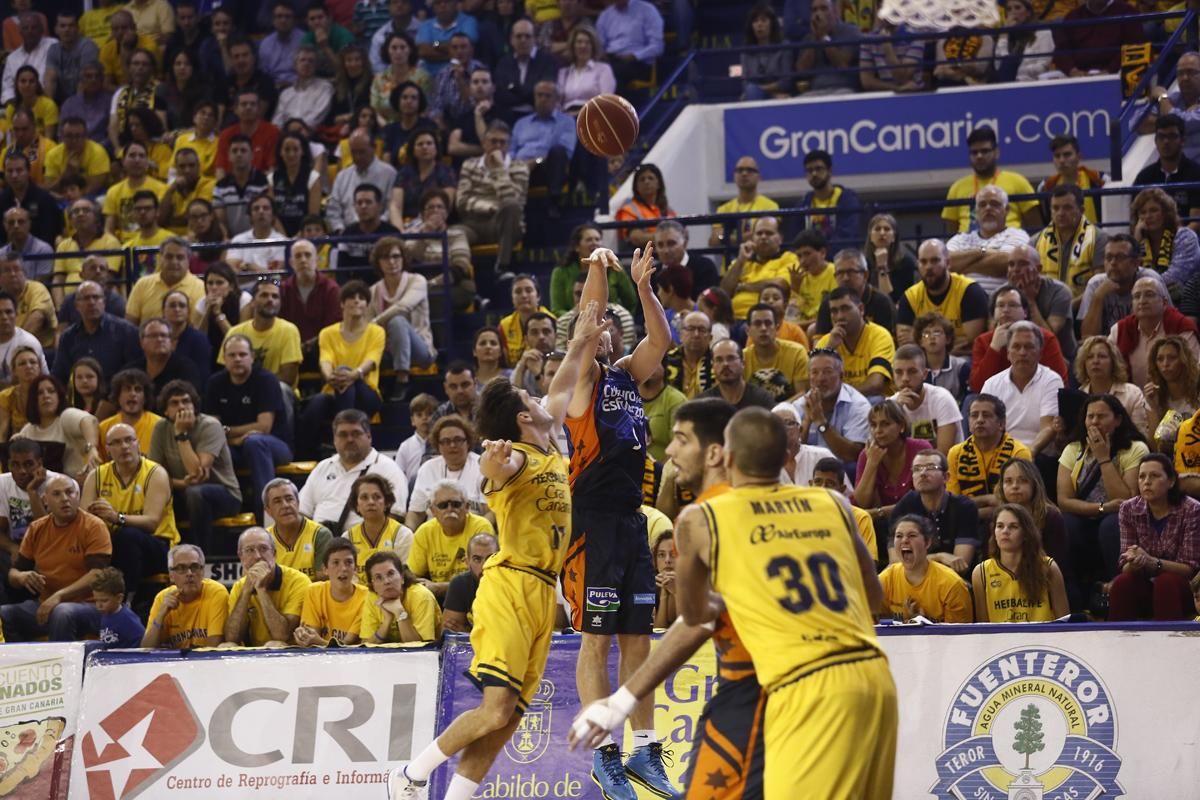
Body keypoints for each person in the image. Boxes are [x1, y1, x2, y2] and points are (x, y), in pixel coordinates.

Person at [386, 295, 603, 800]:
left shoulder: (545, 435)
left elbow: (571, 367)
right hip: (509, 585)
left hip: (542, 592)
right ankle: (409, 777)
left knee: (508, 718)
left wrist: (588, 326)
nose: (540, 398)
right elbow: (493, 473)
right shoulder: (517, 458)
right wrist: (490, 467)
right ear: (523, 419)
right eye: (529, 399)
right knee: (494, 708)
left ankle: (456, 796)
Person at [673, 407, 896, 798]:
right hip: (875, 677)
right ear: (786, 459)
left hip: (808, 686)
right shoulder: (834, 504)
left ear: (726, 458)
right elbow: (875, 597)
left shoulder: (702, 517)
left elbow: (692, 615)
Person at [1058, 393, 1148, 597]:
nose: (1095, 422)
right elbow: (1064, 501)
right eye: (1090, 416)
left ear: (1117, 420)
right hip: (1086, 516)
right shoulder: (1073, 449)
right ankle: (1073, 592)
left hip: (1119, 518)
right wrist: (1102, 508)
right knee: (1064, 522)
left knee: (1111, 524)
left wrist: (1103, 458)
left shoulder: (1135, 449)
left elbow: (1128, 500)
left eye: (1101, 416)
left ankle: (1119, 588)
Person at [0, 474, 110, 642]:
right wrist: (21, 577)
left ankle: (60, 667)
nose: (65, 499)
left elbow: (97, 575)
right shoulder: (37, 528)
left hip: (90, 606)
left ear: (78, 496)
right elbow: (14, 572)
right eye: (57, 494)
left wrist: (59, 596)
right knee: (5, 614)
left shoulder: (94, 526)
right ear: (45, 501)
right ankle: (22, 665)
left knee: (63, 612)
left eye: (70, 492)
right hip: (47, 604)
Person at [81, 422, 178, 596]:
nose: (124, 446)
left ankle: (126, 598)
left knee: (128, 536)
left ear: (138, 443)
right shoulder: (96, 476)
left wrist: (115, 517)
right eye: (116, 442)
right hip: (113, 543)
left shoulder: (155, 473)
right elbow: (83, 522)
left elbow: (152, 522)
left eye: (129, 440)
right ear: (107, 449)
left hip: (157, 546)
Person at [148, 380, 241, 554]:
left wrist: (181, 434)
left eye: (186, 401)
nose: (181, 407)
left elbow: (197, 473)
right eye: (174, 403)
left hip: (224, 494)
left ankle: (201, 555)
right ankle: (161, 554)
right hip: (181, 491)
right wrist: (181, 484)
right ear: (166, 411)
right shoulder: (160, 428)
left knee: (196, 493)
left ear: (194, 405)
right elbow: (154, 475)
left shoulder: (210, 426)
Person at [205, 335, 292, 520]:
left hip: (274, 446)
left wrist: (226, 431)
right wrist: (234, 438)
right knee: (209, 448)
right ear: (224, 359)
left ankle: (268, 517)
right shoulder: (215, 383)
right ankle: (225, 506)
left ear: (252, 357)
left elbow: (264, 426)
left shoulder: (265, 380)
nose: (237, 359)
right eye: (232, 355)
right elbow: (211, 431)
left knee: (255, 442)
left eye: (242, 354)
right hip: (233, 446)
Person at [297, 282, 386, 456]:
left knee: (346, 374)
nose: (357, 302)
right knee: (317, 402)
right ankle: (302, 452)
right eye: (352, 298)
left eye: (361, 299)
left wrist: (354, 375)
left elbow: (372, 360)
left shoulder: (376, 332)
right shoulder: (327, 333)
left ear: (367, 305)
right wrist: (329, 376)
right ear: (342, 303)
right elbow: (326, 359)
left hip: (367, 393)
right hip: (335, 389)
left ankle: (340, 441)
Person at [1111, 453, 1200, 620]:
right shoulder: (1128, 509)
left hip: (1182, 587)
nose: (1146, 482)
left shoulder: (1192, 509)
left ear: (1171, 481)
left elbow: (1190, 569)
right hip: (1145, 582)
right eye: (1142, 477)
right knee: (1122, 583)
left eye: (1154, 476)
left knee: (1166, 583)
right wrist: (1134, 561)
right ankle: (1118, 640)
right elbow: (1124, 566)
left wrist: (1152, 562)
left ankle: (1170, 642)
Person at [298, 409, 408, 533]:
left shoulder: (388, 469)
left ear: (369, 436)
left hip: (365, 544)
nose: (349, 439)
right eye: (343, 435)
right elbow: (303, 512)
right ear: (334, 439)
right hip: (319, 543)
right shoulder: (323, 467)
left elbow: (395, 516)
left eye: (356, 434)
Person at [452, 119, 529, 279]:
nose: (498, 146)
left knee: (510, 207)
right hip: (474, 223)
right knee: (454, 232)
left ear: (508, 145)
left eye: (502, 142)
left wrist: (499, 170)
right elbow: (462, 202)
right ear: (484, 143)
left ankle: (503, 266)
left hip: (504, 223)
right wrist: (491, 207)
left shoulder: (519, 167)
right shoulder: (469, 165)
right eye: (493, 141)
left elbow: (514, 201)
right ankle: (461, 272)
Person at [973, 503, 1070, 623]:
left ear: (1026, 533)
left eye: (1013, 526)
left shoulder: (1048, 567)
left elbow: (1064, 621)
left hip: (1041, 640)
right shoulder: (981, 572)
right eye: (1000, 526)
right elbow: (983, 627)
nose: (1005, 531)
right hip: (1001, 640)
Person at [890, 449, 981, 576]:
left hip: (954, 581)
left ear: (946, 477)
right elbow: (895, 562)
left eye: (931, 468)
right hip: (913, 580)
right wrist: (939, 557)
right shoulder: (905, 506)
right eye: (917, 469)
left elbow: (961, 564)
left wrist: (918, 560)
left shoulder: (964, 507)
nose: (922, 473)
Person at [981, 321, 1063, 455]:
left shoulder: (1051, 380)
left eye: (1029, 347)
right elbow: (986, 427)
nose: (1022, 352)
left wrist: (1028, 453)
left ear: (1040, 353)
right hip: (1000, 455)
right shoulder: (991, 384)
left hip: (1039, 454)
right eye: (1016, 347)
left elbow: (1049, 426)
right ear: (1008, 353)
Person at [969, 284, 1069, 393]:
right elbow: (978, 387)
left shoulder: (1046, 338)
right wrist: (994, 348)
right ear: (993, 312)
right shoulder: (982, 341)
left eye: (1012, 305)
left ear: (1025, 312)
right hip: (995, 400)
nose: (1006, 310)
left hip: (1037, 394)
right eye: (1000, 305)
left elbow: (1060, 383)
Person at [896, 239, 988, 356]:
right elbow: (906, 345)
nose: (928, 267)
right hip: (923, 362)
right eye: (923, 262)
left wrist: (921, 340)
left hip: (962, 359)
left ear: (948, 263)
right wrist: (948, 343)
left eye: (935, 261)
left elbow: (971, 343)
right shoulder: (910, 297)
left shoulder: (969, 291)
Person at [941, 126, 1040, 235]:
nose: (979, 156)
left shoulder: (1018, 181)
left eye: (984, 151)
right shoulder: (957, 187)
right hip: (968, 247)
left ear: (996, 152)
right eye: (974, 152)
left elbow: (1035, 226)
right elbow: (950, 231)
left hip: (1009, 246)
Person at [948, 395, 1033, 519]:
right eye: (974, 415)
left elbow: (1018, 502)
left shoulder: (1018, 452)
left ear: (1001, 423)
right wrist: (988, 499)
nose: (980, 420)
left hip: (1010, 521)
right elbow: (953, 504)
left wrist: (971, 506)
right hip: (965, 523)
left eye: (986, 415)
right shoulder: (955, 453)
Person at [224, 526, 311, 646]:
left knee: (276, 644)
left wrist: (261, 590)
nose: (258, 556)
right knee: (227, 646)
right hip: (253, 654)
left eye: (263, 549)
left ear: (274, 554)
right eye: (249, 550)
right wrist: (246, 592)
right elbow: (232, 637)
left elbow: (282, 635)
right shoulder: (239, 586)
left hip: (289, 652)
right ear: (241, 557)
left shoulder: (298, 581)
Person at [408, 479, 492, 600]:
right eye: (442, 505)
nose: (449, 509)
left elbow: (484, 577)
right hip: (436, 598)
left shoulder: (481, 527)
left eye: (456, 504)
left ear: (467, 507)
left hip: (474, 595)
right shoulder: (424, 532)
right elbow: (413, 575)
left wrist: (440, 587)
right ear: (433, 511)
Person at [878, 514, 972, 622]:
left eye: (912, 535)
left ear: (927, 543)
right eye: (899, 536)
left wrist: (924, 624)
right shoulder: (885, 580)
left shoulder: (951, 584)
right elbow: (876, 626)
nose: (904, 540)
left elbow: (960, 635)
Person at [1110, 276, 1200, 388]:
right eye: (1137, 296)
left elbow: (1194, 372)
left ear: (1164, 303)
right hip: (1130, 400)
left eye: (1149, 295)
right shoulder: (1119, 330)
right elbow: (1108, 370)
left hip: (1177, 399)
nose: (1142, 301)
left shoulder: (1181, 327)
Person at [855, 399, 933, 524]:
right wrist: (871, 464)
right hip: (882, 526)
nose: (878, 431)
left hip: (920, 522)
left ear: (901, 426)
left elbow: (925, 501)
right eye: (873, 425)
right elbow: (861, 503)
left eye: (885, 424)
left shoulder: (920, 449)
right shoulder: (867, 454)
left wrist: (878, 512)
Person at [1080, 234, 1169, 340]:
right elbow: (1087, 337)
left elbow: (1167, 324)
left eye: (1120, 257)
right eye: (1108, 258)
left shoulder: (1150, 281)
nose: (1113, 263)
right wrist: (1098, 298)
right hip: (1105, 351)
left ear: (1136, 263)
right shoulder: (1095, 284)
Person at [141, 543, 228, 648]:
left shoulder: (216, 592)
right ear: (171, 575)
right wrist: (160, 615)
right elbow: (146, 649)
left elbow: (214, 647)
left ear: (203, 571)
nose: (190, 573)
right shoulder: (162, 598)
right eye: (181, 568)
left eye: (195, 567)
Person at [407, 415, 488, 528]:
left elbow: (490, 513)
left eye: (458, 440)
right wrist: (409, 534)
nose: (452, 445)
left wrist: (478, 535)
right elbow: (415, 513)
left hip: (471, 536)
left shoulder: (483, 467)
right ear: (438, 445)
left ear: (468, 442)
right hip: (434, 536)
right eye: (446, 441)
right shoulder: (427, 469)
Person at [794, 347, 871, 466]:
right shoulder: (799, 405)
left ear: (841, 375)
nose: (821, 378)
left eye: (827, 372)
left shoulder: (858, 405)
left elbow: (853, 455)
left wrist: (821, 422)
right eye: (815, 372)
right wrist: (807, 422)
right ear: (809, 377)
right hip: (806, 468)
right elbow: (791, 452)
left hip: (841, 469)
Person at [814, 288, 894, 398]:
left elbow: (876, 384)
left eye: (845, 308)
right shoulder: (826, 342)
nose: (840, 316)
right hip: (837, 403)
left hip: (874, 402)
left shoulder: (879, 336)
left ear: (861, 309)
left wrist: (840, 397)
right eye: (834, 311)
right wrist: (829, 350)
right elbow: (815, 386)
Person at [19, 374, 102, 481]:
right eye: (40, 393)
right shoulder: (29, 429)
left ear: (59, 395)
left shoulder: (66, 416)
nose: (46, 396)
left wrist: (92, 448)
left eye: (51, 391)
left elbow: (89, 421)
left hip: (76, 485)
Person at [1075, 335, 1152, 440]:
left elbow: (1141, 435)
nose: (1095, 361)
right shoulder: (1078, 395)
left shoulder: (1132, 393)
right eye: (1089, 357)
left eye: (1102, 356)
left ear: (1113, 362)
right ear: (1083, 364)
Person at [294, 537, 366, 647]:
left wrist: (319, 642)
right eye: (336, 562)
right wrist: (304, 637)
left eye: (349, 562)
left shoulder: (366, 597)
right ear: (325, 569)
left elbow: (345, 645)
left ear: (355, 568)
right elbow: (311, 641)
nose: (343, 568)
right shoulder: (314, 591)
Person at [889, 344, 962, 453]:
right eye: (899, 372)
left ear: (924, 374)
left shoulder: (942, 399)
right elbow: (885, 452)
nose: (905, 379)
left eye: (912, 371)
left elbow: (944, 453)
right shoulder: (891, 404)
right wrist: (896, 411)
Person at [345, 473, 415, 583]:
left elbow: (404, 577)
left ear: (387, 502)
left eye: (377, 497)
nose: (371, 502)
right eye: (364, 497)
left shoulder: (402, 534)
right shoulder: (347, 537)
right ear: (357, 505)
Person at [361, 550, 442, 644]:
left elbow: (420, 650)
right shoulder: (372, 597)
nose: (386, 581)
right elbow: (366, 645)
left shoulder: (422, 596)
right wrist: (387, 622)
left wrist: (400, 612)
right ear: (373, 585)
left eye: (391, 573)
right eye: (378, 577)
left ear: (402, 577)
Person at [1133, 114, 1200, 226]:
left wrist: (1172, 242)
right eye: (1161, 136)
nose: (1166, 141)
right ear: (1155, 141)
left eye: (1172, 136)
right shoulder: (1144, 177)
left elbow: (1195, 223)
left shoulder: (1196, 174)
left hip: (1186, 240)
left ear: (1182, 140)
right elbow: (1136, 221)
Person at [263, 478, 334, 580]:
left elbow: (324, 582)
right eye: (277, 501)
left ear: (298, 503)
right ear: (268, 510)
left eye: (289, 499)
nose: (285, 505)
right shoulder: (264, 540)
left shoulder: (320, 535)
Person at [125, 237, 204, 326]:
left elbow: (199, 327)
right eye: (169, 257)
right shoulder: (142, 284)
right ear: (160, 258)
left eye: (180, 257)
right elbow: (130, 324)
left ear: (188, 260)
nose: (174, 262)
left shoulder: (200, 288)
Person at [1052, 0, 1144, 76]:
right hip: (1079, 76)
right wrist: (1072, 70)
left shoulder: (1127, 12)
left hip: (1116, 75)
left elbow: (1134, 47)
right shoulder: (1073, 16)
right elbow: (1061, 50)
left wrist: (1110, 71)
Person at [742, 303, 809, 402]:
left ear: (777, 328)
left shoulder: (797, 353)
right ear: (748, 330)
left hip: (789, 413)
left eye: (768, 323)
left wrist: (776, 411)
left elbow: (803, 394)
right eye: (757, 324)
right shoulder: (741, 358)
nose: (763, 328)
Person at [1144, 335, 1200, 451]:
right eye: (1160, 359)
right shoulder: (1153, 398)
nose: (1165, 364)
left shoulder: (1198, 392)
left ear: (1184, 361)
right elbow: (1155, 448)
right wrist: (1153, 408)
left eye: (1172, 358)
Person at [1037, 136, 1107, 226]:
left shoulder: (1100, 180)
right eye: (1057, 156)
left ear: (1079, 157)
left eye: (1067, 155)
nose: (1061, 160)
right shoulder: (1046, 186)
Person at [0, 437, 57, 547]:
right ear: (8, 465)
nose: (22, 471)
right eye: (15, 464)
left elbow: (48, 534)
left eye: (28, 464)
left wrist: (32, 491)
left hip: (49, 547)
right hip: (16, 546)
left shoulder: (59, 484)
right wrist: (13, 549)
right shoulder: (2, 483)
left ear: (40, 463)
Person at [213, 136, 270, 238]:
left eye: (243, 151)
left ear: (252, 155)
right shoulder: (220, 186)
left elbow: (268, 215)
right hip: (231, 241)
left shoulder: (263, 182)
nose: (239, 154)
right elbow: (220, 220)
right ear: (229, 156)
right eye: (235, 151)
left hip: (258, 238)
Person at [97, 369, 160, 461]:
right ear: (118, 396)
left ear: (145, 397)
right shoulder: (104, 427)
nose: (133, 394)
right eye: (127, 389)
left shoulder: (158, 425)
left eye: (138, 390)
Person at [442, 531, 499, 632]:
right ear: (467, 562)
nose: (484, 566)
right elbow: (450, 633)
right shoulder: (459, 584)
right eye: (477, 559)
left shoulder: (510, 584)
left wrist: (468, 633)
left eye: (490, 558)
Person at [802, 150, 861, 245]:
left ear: (829, 171)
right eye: (809, 170)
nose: (814, 174)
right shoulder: (803, 203)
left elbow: (847, 234)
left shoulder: (847, 199)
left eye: (819, 169)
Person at [699, 338, 775, 411]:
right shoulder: (703, 403)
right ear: (712, 366)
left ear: (743, 363)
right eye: (719, 360)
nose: (725, 364)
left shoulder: (762, 399)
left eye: (731, 358)